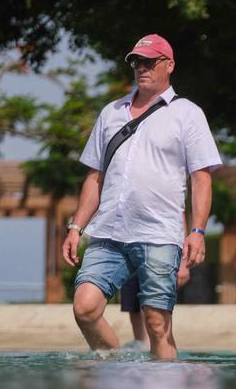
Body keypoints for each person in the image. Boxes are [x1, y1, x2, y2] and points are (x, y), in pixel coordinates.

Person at [61, 34, 221, 359]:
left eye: (150, 61)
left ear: (170, 65)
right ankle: (116, 366)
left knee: (157, 324)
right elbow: (95, 176)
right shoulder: (111, 112)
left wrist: (197, 231)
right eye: (137, 62)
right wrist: (76, 227)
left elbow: (201, 178)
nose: (142, 68)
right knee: (85, 308)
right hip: (108, 232)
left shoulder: (187, 114)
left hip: (159, 235)